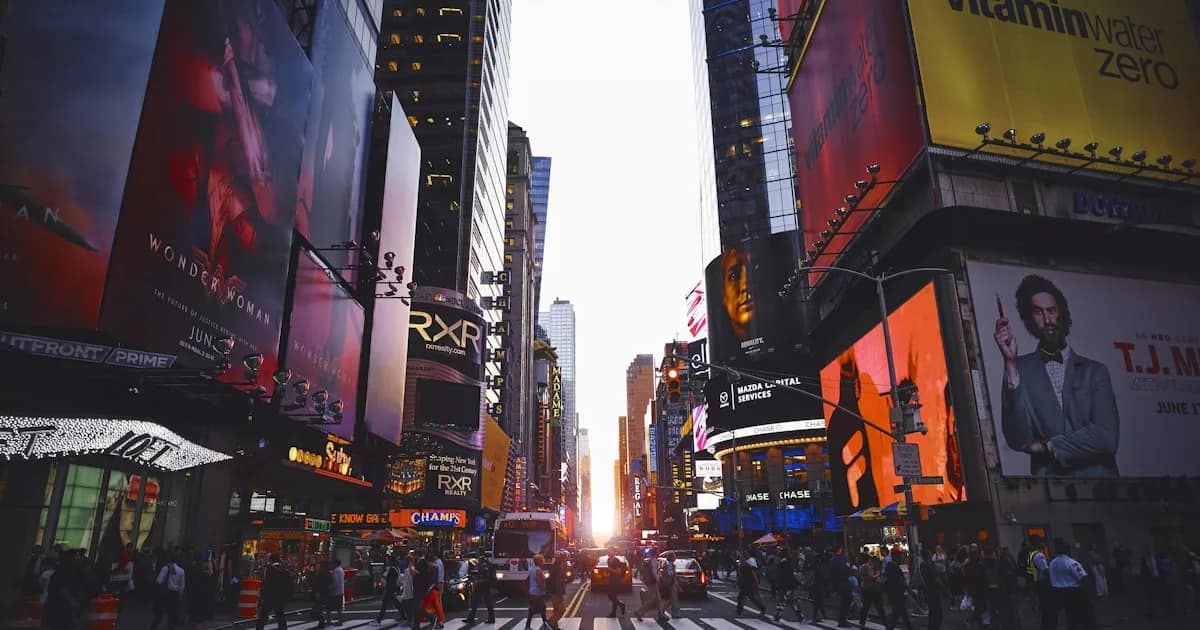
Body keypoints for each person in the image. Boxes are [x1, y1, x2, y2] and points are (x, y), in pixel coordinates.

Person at [995, 274, 1120, 476]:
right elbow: (1018, 440)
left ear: (1062, 312)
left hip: (1102, 488)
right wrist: (1010, 362)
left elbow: (1107, 438)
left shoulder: (1095, 371)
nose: (1047, 320)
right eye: (1038, 312)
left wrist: (1049, 447)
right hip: (1050, 489)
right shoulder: (1020, 369)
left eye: (1051, 310)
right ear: (1029, 318)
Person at [1049, 539, 1091, 630]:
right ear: (1067, 550)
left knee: (1064, 616)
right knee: (1075, 616)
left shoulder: (1052, 563)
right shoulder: (1072, 562)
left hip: (1056, 592)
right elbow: (1083, 577)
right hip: (1072, 592)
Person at [150, 554, 186, 630]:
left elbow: (159, 581)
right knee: (172, 615)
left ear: (169, 559)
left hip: (164, 593)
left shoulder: (165, 568)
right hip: (174, 594)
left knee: (159, 614)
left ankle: (154, 627)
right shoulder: (182, 571)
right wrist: (180, 596)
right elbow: (182, 586)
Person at [256, 554, 291, 630]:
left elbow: (266, 583)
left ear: (271, 560)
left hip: (269, 596)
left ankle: (259, 628)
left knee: (263, 616)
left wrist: (263, 594)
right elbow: (287, 584)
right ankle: (283, 628)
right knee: (280, 615)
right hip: (279, 597)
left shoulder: (269, 569)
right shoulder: (284, 570)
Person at [464, 553, 497, 624]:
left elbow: (483, 572)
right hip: (486, 583)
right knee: (488, 601)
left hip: (482, 583)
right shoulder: (484, 560)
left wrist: (477, 577)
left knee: (475, 601)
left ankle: (471, 618)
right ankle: (491, 618)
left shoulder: (481, 561)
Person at [857, 554, 886, 629]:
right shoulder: (866, 567)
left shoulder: (862, 567)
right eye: (870, 559)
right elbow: (871, 577)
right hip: (871, 589)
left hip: (866, 588)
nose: (871, 560)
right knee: (877, 606)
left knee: (866, 606)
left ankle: (862, 622)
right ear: (868, 559)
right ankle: (885, 622)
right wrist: (877, 574)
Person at [773, 548, 802, 622]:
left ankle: (778, 615)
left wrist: (778, 585)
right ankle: (800, 615)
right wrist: (797, 583)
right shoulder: (788, 563)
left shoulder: (782, 563)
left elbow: (780, 576)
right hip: (790, 585)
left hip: (784, 586)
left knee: (783, 601)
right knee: (793, 601)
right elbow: (791, 575)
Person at [736, 550, 768, 619]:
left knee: (749, 597)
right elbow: (741, 575)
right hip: (744, 583)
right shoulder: (743, 563)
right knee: (744, 597)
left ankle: (762, 608)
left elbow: (753, 573)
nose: (740, 557)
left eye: (741, 556)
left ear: (744, 557)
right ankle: (739, 610)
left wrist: (756, 582)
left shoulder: (748, 564)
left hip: (748, 583)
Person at [633, 554, 664, 622]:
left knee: (658, 599)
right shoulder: (653, 561)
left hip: (651, 582)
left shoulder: (649, 561)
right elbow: (654, 572)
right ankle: (639, 612)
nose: (659, 552)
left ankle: (661, 614)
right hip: (653, 582)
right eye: (658, 551)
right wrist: (658, 580)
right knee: (653, 599)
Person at [829, 545, 853, 628]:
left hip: (838, 583)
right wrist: (850, 570)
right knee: (846, 601)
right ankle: (842, 620)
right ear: (839, 550)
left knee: (844, 601)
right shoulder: (839, 559)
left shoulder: (833, 560)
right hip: (843, 582)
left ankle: (842, 620)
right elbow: (843, 571)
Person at [920, 548, 944, 630]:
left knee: (932, 613)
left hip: (927, 592)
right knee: (938, 615)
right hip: (933, 592)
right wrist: (944, 589)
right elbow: (936, 580)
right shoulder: (929, 565)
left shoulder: (922, 565)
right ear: (928, 555)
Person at [376, 556, 404, 624]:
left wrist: (388, 588)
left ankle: (379, 619)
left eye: (388, 560)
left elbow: (390, 581)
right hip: (393, 588)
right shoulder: (396, 568)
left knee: (385, 604)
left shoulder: (392, 569)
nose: (387, 561)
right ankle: (403, 616)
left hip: (390, 589)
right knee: (396, 603)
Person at [525, 554, 550, 630]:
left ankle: (529, 626)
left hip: (533, 592)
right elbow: (539, 582)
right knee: (538, 609)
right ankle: (544, 625)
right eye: (542, 560)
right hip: (537, 593)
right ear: (539, 561)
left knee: (538, 609)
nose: (544, 561)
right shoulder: (538, 570)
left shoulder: (532, 569)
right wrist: (544, 590)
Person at [547, 551, 568, 629]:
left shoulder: (556, 566)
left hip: (555, 591)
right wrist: (560, 593)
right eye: (563, 558)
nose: (564, 559)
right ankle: (550, 621)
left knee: (556, 610)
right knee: (562, 610)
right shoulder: (558, 567)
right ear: (559, 559)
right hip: (556, 592)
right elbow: (558, 581)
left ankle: (555, 626)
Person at [606, 548, 627, 617]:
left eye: (610, 551)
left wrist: (610, 570)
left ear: (614, 552)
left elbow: (619, 572)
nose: (609, 552)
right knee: (611, 596)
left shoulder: (616, 560)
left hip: (616, 580)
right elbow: (610, 570)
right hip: (611, 580)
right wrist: (608, 573)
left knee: (613, 596)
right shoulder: (608, 560)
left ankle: (614, 613)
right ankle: (621, 606)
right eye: (608, 551)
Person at [659, 551, 680, 619]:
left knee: (671, 600)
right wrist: (672, 583)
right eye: (674, 556)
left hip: (671, 584)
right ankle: (674, 613)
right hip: (671, 584)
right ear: (671, 557)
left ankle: (662, 610)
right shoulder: (669, 565)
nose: (675, 557)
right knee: (674, 599)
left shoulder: (670, 565)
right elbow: (670, 575)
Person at [313, 561, 333, 628]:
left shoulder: (320, 574)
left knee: (319, 608)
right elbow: (331, 584)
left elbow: (316, 584)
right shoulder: (329, 574)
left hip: (321, 593)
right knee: (327, 608)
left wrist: (316, 592)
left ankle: (322, 621)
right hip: (327, 592)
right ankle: (328, 621)